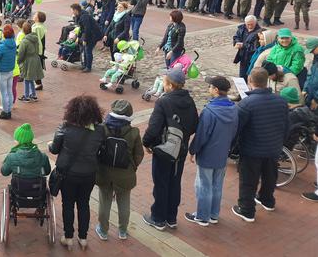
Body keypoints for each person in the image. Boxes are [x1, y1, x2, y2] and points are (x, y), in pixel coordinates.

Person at [142, 69, 198, 231]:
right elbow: (195, 124)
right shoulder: (189, 100)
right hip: (181, 149)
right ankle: (171, 218)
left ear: (170, 85)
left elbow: (154, 127)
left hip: (164, 149)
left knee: (161, 183)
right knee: (175, 182)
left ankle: (158, 218)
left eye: (165, 82)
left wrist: (147, 142)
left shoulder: (163, 102)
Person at [232, 68, 289, 222]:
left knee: (248, 181)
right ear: (267, 81)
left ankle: (247, 209)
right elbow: (286, 126)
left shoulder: (246, 104)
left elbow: (237, 129)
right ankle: (267, 200)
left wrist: (232, 148)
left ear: (250, 82)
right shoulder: (281, 101)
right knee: (270, 176)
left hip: (252, 149)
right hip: (273, 147)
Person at [49, 95, 104, 250]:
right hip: (89, 173)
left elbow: (54, 149)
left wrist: (49, 145)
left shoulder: (65, 128)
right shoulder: (99, 130)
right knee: (84, 204)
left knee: (67, 205)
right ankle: (83, 237)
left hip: (68, 174)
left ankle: (68, 237)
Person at [185, 76, 238, 227]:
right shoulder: (234, 109)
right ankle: (214, 214)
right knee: (217, 185)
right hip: (222, 153)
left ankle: (202, 216)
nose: (208, 89)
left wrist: (192, 150)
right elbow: (235, 132)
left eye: (210, 87)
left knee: (204, 186)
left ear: (215, 90)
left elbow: (202, 135)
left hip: (208, 154)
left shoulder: (209, 111)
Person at [95, 100, 143, 241]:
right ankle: (122, 231)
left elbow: (95, 149)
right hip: (125, 174)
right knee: (124, 202)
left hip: (104, 172)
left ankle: (103, 231)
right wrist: (132, 167)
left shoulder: (102, 128)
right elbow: (139, 154)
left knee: (105, 201)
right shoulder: (134, 132)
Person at [302, 37, 318, 202]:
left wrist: (317, 97)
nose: (312, 53)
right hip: (314, 98)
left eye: (313, 49)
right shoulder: (317, 58)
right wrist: (305, 89)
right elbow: (310, 75)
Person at [0, 24, 17, 120]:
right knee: (9, 91)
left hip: (2, 71)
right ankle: (9, 109)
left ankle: (5, 111)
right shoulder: (14, 44)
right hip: (10, 70)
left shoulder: (2, 47)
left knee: (3, 93)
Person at [72, 3, 102, 73]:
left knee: (88, 50)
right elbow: (80, 28)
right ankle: (85, 65)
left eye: (72, 11)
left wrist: (85, 39)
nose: (72, 12)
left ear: (76, 10)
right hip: (89, 34)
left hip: (93, 35)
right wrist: (78, 38)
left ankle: (88, 67)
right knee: (85, 50)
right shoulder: (79, 15)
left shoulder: (84, 17)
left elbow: (87, 29)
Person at [17, 22, 43, 102]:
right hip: (36, 59)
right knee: (31, 79)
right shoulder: (35, 38)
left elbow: (21, 53)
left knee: (26, 79)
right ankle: (33, 95)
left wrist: (18, 61)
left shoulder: (24, 41)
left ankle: (26, 96)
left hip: (28, 61)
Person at [232, 15, 261, 79]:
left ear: (255, 23)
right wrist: (237, 42)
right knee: (242, 76)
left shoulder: (260, 32)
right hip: (243, 56)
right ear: (245, 23)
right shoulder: (242, 28)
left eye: (252, 24)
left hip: (252, 58)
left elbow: (256, 47)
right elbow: (236, 37)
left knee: (252, 77)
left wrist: (243, 45)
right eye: (248, 24)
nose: (250, 26)